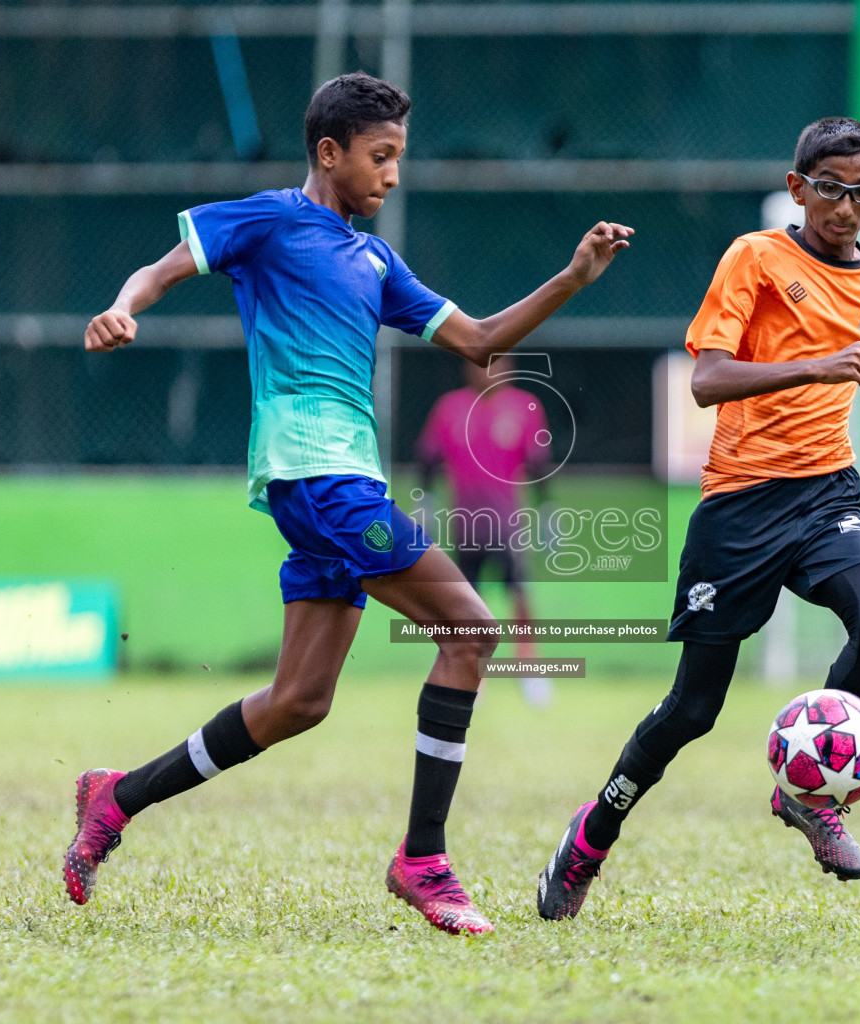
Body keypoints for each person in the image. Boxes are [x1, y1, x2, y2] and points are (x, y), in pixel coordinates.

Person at [64, 71, 632, 936]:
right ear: (328, 154)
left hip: (341, 482)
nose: (393, 175)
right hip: (317, 475)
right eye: (381, 157)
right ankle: (424, 859)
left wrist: (572, 278)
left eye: (399, 158)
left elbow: (477, 339)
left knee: (298, 702)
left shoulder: (374, 260)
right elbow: (162, 266)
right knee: (473, 632)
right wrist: (120, 306)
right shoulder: (267, 220)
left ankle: (116, 797)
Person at [535, 117, 860, 921]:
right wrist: (821, 364)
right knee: (692, 711)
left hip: (828, 496)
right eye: (831, 190)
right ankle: (591, 836)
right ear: (798, 189)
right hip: (741, 506)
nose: (847, 208)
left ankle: (812, 798)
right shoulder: (755, 258)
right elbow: (708, 381)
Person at [416, 355, 555, 706]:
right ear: (468, 368)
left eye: (497, 364)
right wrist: (426, 506)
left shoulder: (525, 406)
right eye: (480, 364)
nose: (488, 372)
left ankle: (529, 668)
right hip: (467, 526)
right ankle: (474, 677)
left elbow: (539, 464)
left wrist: (547, 513)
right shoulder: (450, 408)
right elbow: (428, 460)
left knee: (519, 596)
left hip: (509, 525)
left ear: (508, 368)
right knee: (467, 604)